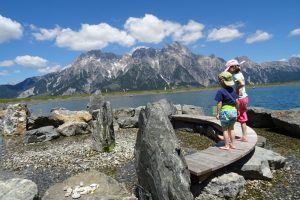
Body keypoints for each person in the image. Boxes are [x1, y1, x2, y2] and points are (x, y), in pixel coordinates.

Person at [225, 59, 249, 142]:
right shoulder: (240, 73)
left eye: (229, 69)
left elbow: (242, 84)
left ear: (233, 68)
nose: (229, 71)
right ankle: (244, 136)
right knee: (242, 117)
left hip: (240, 99)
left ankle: (228, 136)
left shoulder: (235, 76)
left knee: (231, 116)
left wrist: (237, 90)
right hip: (245, 98)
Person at [215, 71, 239, 150]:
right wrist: (238, 110)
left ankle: (226, 146)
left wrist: (217, 113)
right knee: (231, 128)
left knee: (225, 130)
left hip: (225, 112)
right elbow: (237, 102)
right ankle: (233, 144)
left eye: (219, 80)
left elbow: (219, 103)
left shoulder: (220, 91)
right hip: (233, 111)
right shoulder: (233, 90)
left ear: (222, 81)